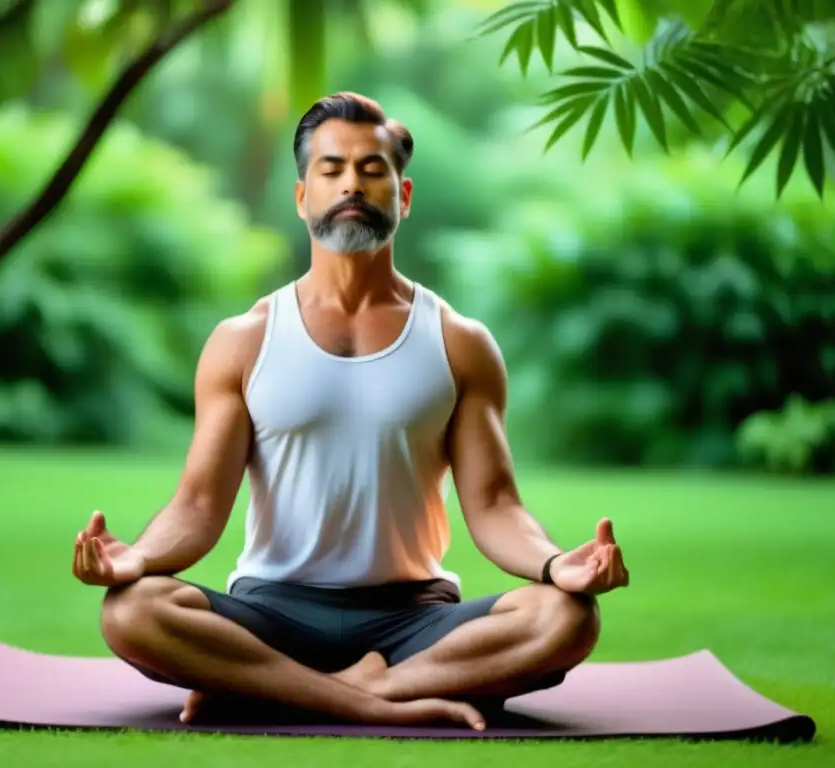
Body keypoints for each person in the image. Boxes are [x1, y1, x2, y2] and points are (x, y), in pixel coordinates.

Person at [71, 92, 629, 731]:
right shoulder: (243, 338)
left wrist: (559, 565)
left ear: (404, 195)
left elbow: (496, 504)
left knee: (566, 617)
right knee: (131, 611)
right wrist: (135, 560)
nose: (351, 185)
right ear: (302, 196)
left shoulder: (460, 342)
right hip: (272, 614)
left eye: (372, 170)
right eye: (331, 169)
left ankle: (274, 693)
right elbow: (198, 506)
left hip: (414, 617)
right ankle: (367, 696)